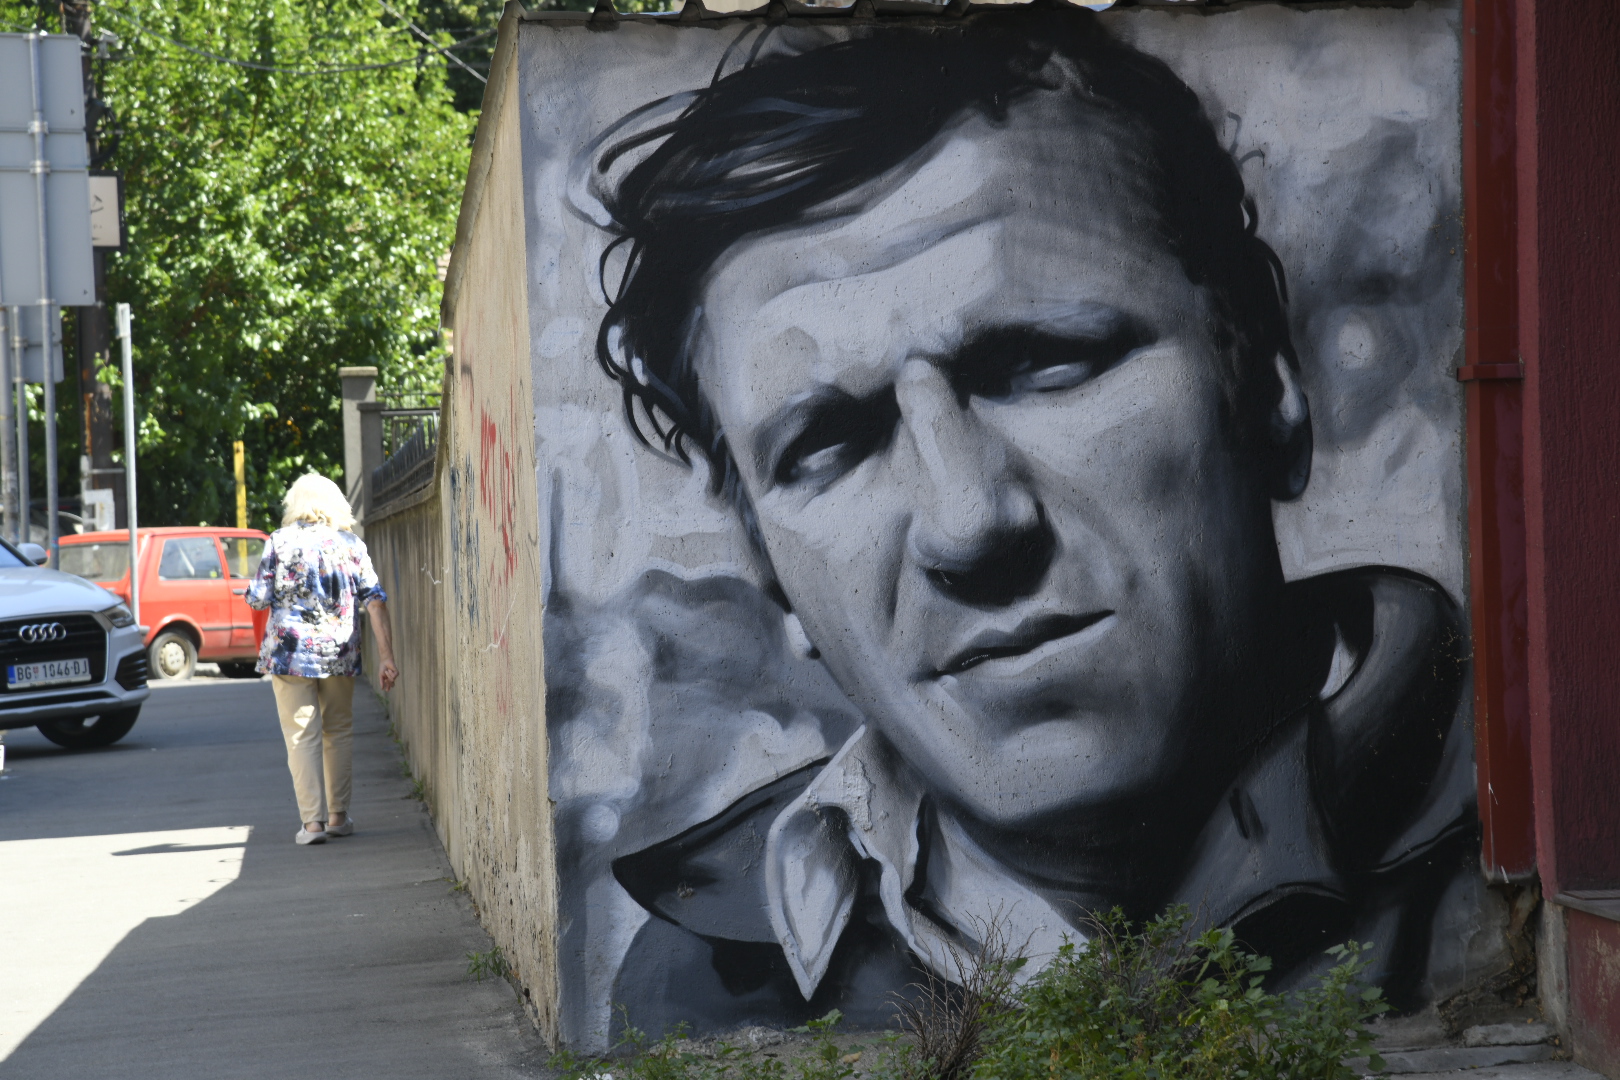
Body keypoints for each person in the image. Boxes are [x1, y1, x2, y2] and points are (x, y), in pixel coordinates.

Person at [577, 6, 1471, 1033]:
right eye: (830, 442)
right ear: (768, 568)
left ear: (1265, 387)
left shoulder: (1532, 848)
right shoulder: (706, 966)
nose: (968, 526)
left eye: (1041, 361)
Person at [247, 473, 398, 846]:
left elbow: (257, 598)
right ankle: (338, 816)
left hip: (290, 655)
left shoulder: (278, 542)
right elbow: (374, 600)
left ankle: (311, 824)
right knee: (338, 729)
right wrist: (387, 657)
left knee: (301, 735)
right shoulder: (350, 544)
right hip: (339, 653)